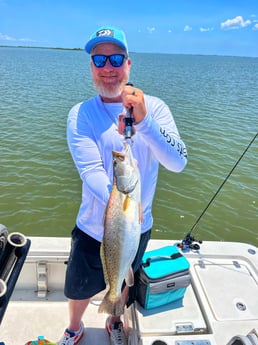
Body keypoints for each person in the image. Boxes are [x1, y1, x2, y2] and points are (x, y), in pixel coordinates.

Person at [58, 25, 187, 345]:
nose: (108, 67)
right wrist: (123, 195)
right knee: (79, 287)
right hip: (92, 226)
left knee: (123, 278)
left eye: (116, 58)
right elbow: (90, 171)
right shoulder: (81, 114)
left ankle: (115, 318)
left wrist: (144, 122)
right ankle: (75, 327)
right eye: (99, 60)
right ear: (91, 66)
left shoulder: (154, 108)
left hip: (138, 225)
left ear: (129, 63)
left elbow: (178, 161)